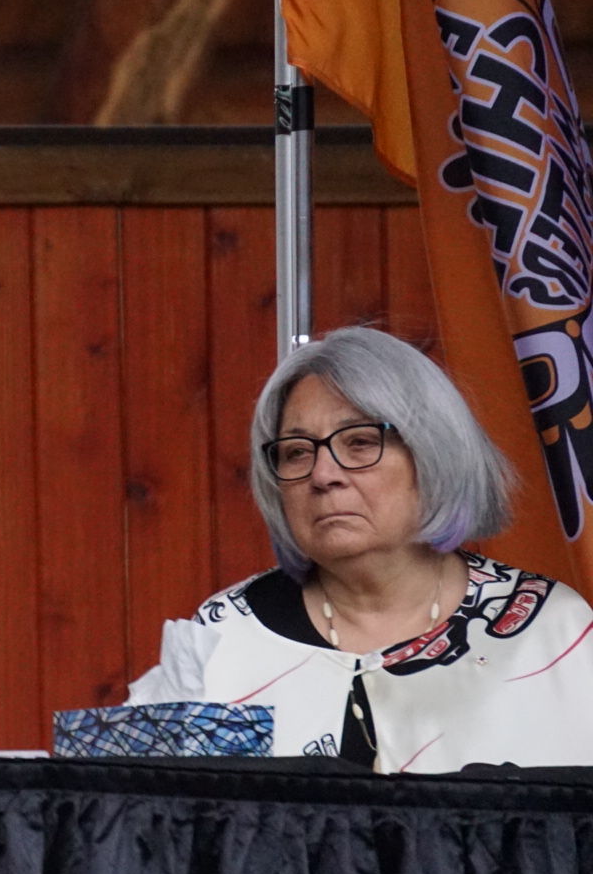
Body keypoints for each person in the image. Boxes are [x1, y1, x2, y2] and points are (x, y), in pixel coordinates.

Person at [129, 327, 593, 773]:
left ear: (435, 455)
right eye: (297, 451)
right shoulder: (224, 634)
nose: (322, 475)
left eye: (360, 443)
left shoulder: (551, 629)